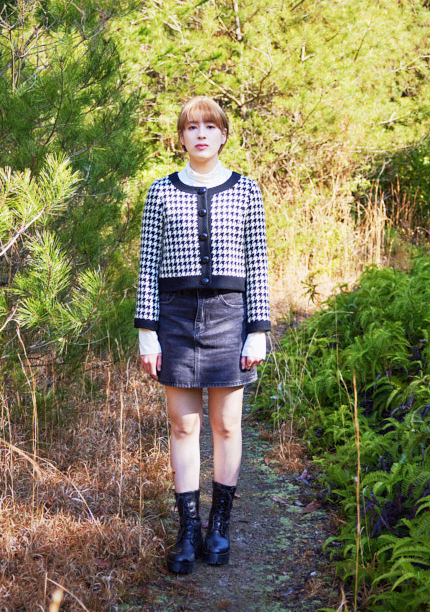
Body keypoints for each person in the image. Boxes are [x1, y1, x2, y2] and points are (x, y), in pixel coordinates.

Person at [134, 96, 271, 574]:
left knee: (227, 425)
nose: (200, 134)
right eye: (192, 127)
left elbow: (258, 264)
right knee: (183, 425)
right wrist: (147, 332)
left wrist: (258, 330)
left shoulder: (247, 190)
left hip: (230, 317)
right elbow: (147, 266)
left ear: (223, 135)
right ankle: (189, 530)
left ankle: (220, 526)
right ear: (181, 137)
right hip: (175, 317)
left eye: (210, 127)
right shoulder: (160, 192)